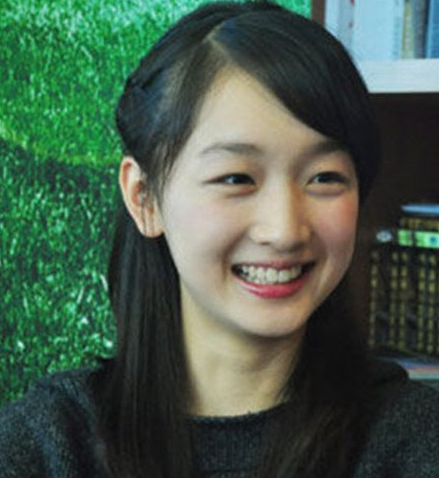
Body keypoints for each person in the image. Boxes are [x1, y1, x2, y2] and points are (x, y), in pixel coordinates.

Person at [1, 1, 439, 477]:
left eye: (324, 177)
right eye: (236, 178)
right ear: (145, 198)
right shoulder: (47, 444)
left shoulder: (414, 441)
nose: (284, 230)